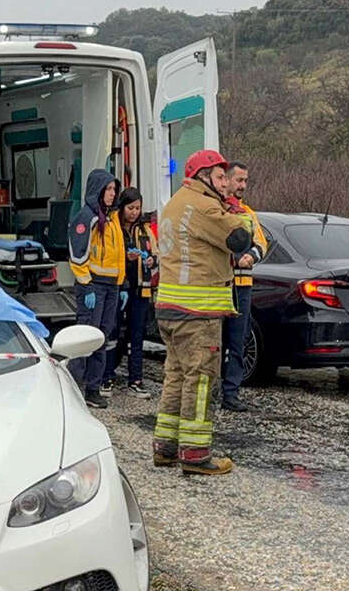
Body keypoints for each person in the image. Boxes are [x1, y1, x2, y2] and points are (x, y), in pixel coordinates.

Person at [152, 150, 253, 476]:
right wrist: (240, 215)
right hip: (198, 313)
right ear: (202, 176)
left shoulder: (175, 204)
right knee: (200, 382)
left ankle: (165, 447)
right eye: (220, 176)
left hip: (170, 308)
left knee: (176, 378)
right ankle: (195, 454)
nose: (226, 183)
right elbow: (239, 239)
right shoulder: (205, 206)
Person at [68, 169, 126, 409]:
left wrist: (121, 284)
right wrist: (86, 285)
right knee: (85, 339)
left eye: (114, 189)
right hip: (93, 286)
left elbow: (119, 255)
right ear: (98, 190)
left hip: (110, 287)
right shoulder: (88, 217)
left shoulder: (111, 219)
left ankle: (93, 388)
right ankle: (71, 388)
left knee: (101, 338)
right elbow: (77, 253)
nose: (112, 194)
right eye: (108, 189)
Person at [220, 162, 269, 412]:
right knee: (214, 342)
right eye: (239, 180)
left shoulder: (248, 213)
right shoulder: (218, 209)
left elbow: (262, 242)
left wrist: (252, 254)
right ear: (225, 180)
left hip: (242, 286)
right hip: (218, 285)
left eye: (246, 181)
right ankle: (211, 390)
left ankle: (231, 393)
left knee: (237, 342)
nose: (243, 186)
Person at [106, 187, 155, 399]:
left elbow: (156, 251)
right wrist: (128, 259)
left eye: (138, 208)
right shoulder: (113, 226)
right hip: (118, 288)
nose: (134, 212)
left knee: (137, 336)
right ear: (122, 207)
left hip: (140, 289)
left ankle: (136, 379)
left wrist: (153, 260)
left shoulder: (144, 229)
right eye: (131, 208)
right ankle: (106, 376)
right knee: (112, 333)